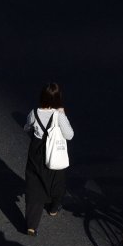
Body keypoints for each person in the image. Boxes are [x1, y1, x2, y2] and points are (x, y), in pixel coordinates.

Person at [22, 83, 74, 235]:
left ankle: (31, 225)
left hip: (37, 151)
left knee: (34, 182)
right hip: (54, 152)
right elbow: (69, 135)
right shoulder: (59, 115)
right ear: (58, 99)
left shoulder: (34, 112)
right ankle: (53, 208)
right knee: (57, 180)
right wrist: (63, 115)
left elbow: (27, 127)